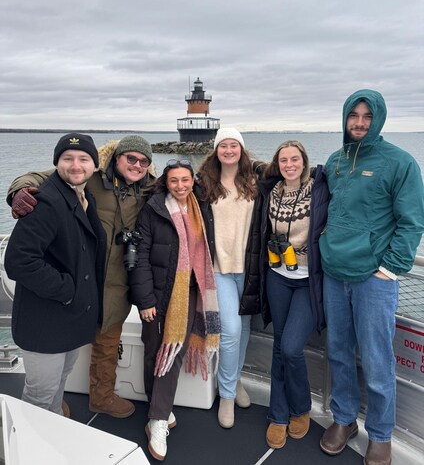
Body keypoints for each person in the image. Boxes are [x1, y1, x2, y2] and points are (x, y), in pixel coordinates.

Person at [7, 135, 155, 418]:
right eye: (130, 158)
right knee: (59, 354)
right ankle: (47, 410)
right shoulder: (88, 177)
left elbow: (181, 186)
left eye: (143, 161)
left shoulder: (148, 188)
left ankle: (100, 397)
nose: (136, 165)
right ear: (116, 158)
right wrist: (18, 191)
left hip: (116, 281)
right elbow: (38, 177)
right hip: (78, 277)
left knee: (107, 343)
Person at [318, 89, 424, 465]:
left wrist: (390, 269)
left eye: (366, 116)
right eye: (353, 116)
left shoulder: (400, 162)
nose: (359, 123)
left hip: (374, 280)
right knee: (339, 352)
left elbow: (412, 222)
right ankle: (344, 420)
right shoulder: (334, 161)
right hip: (334, 273)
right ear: (345, 118)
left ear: (377, 118)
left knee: (378, 360)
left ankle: (380, 434)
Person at [4, 133, 106, 416]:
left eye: (84, 159)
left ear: (95, 166)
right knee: (40, 397)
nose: (76, 165)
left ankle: (53, 427)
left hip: (69, 319)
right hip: (45, 324)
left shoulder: (84, 196)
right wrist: (67, 290)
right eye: (67, 159)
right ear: (56, 164)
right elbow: (18, 261)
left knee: (58, 385)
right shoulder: (46, 201)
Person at [129, 159, 220, 461]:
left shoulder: (200, 206)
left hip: (190, 292)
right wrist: (145, 300)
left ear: (193, 180)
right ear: (165, 183)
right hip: (158, 293)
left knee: (172, 354)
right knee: (153, 351)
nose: (181, 186)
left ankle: (157, 419)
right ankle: (158, 408)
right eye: (174, 181)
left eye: (185, 179)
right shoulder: (153, 209)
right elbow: (140, 255)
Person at [257, 140, 329, 449]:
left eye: (294, 159)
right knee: (279, 347)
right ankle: (278, 415)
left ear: (304, 161)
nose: (289, 164)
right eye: (283, 159)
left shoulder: (319, 189)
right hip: (278, 277)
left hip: (307, 281)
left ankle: (301, 408)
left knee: (290, 347)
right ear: (277, 163)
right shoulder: (270, 191)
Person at [197, 127, 262, 429]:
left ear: (241, 149)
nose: (228, 150)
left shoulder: (255, 181)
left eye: (233, 145)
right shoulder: (204, 183)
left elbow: (292, 171)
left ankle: (234, 382)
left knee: (245, 327)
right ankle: (226, 394)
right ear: (216, 150)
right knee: (231, 329)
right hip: (219, 268)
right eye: (223, 145)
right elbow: (169, 188)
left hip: (248, 268)